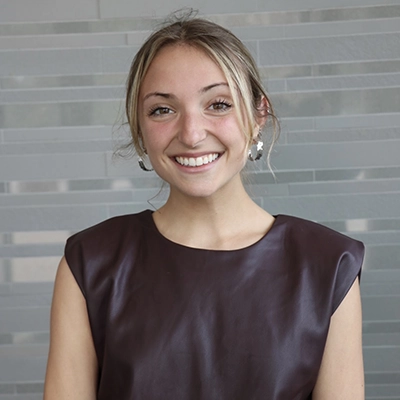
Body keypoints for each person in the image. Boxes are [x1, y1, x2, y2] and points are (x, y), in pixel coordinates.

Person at [44, 12, 365, 400]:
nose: (192, 134)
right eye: (163, 109)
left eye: (218, 104)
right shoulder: (90, 263)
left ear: (258, 115)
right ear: (140, 129)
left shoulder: (328, 265)